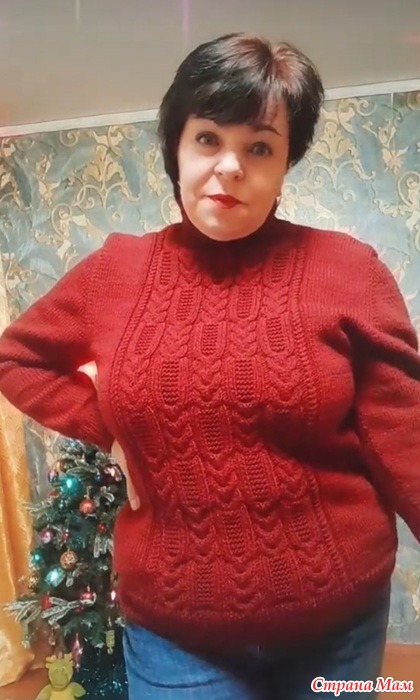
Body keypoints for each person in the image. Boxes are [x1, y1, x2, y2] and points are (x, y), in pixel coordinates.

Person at [0, 32, 419, 700]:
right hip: (176, 633)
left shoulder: (348, 270)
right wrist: (106, 430)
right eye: (207, 139)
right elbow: (17, 356)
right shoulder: (115, 272)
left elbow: (405, 436)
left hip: (338, 625)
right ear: (176, 146)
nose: (229, 167)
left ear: (285, 165)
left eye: (259, 148)